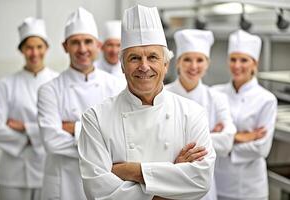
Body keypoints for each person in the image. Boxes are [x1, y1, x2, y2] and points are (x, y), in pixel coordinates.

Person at [78, 5, 216, 200]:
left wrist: (132, 171)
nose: (144, 67)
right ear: (123, 66)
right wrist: (173, 178)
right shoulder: (96, 118)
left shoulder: (192, 113)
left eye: (153, 57)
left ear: (166, 64)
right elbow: (98, 191)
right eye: (134, 58)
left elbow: (201, 180)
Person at [37, 7, 124, 200]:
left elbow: (123, 137)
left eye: (87, 42)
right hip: (63, 182)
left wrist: (74, 129)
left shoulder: (116, 86)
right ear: (65, 46)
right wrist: (101, 143)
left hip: (106, 182)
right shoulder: (49, 90)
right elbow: (51, 141)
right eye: (75, 42)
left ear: (98, 45)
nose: (82, 49)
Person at [0, 17, 58, 200]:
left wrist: (24, 128)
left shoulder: (58, 82)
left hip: (48, 168)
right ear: (21, 50)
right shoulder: (5, 84)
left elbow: (61, 127)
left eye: (39, 47)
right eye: (29, 47)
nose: (34, 53)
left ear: (46, 48)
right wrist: (38, 135)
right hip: (13, 173)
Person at [166, 29, 236, 200]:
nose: (194, 66)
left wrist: (175, 141)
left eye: (200, 60)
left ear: (207, 63)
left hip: (204, 186)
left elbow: (227, 142)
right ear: (178, 63)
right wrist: (210, 135)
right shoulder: (163, 95)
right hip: (168, 181)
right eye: (187, 59)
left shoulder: (217, 98)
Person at [213, 30, 277, 200]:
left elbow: (261, 147)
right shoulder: (215, 93)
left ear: (254, 64)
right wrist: (242, 137)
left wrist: (223, 141)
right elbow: (205, 137)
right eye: (233, 59)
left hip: (250, 187)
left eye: (244, 60)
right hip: (217, 180)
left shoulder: (266, 100)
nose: (237, 65)